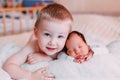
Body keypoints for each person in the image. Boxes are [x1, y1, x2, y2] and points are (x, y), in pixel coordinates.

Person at [2, 3, 73, 80]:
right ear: (36, 33)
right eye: (47, 34)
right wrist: (30, 76)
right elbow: (8, 66)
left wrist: (47, 57)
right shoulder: (32, 46)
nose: (52, 42)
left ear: (67, 37)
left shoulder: (67, 44)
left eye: (60, 36)